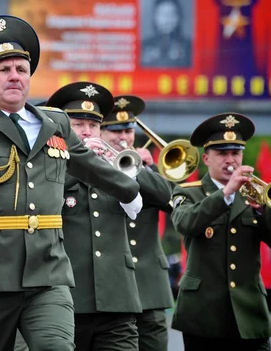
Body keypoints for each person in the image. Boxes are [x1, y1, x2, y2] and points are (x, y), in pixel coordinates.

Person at [0, 15, 143, 351]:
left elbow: (90, 166)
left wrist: (129, 189)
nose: (14, 76)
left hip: (48, 273)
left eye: (21, 69)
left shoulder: (55, 123)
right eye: (4, 70)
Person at [45, 82, 154, 350]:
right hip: (67, 299)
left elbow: (135, 205)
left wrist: (110, 165)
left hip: (119, 301)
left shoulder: (114, 165)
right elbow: (45, 202)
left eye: (93, 125)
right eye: (78, 124)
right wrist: (82, 164)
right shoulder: (48, 166)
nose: (86, 131)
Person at [170, 113, 271, 350]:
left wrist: (264, 211)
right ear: (206, 158)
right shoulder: (187, 192)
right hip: (202, 315)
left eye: (235, 153)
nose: (230, 160)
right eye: (222, 153)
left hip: (249, 313)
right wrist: (225, 194)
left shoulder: (254, 193)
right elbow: (186, 224)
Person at [101, 95, 174, 351]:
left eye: (128, 130)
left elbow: (169, 199)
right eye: (115, 131)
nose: (124, 137)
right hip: (109, 288)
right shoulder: (93, 165)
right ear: (100, 133)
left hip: (148, 287)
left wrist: (142, 169)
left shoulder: (144, 167)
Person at [141, 0, 192, 68]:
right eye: (162, 14)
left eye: (172, 14)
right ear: (155, 17)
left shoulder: (189, 46)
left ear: (178, 17)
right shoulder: (143, 46)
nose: (167, 19)